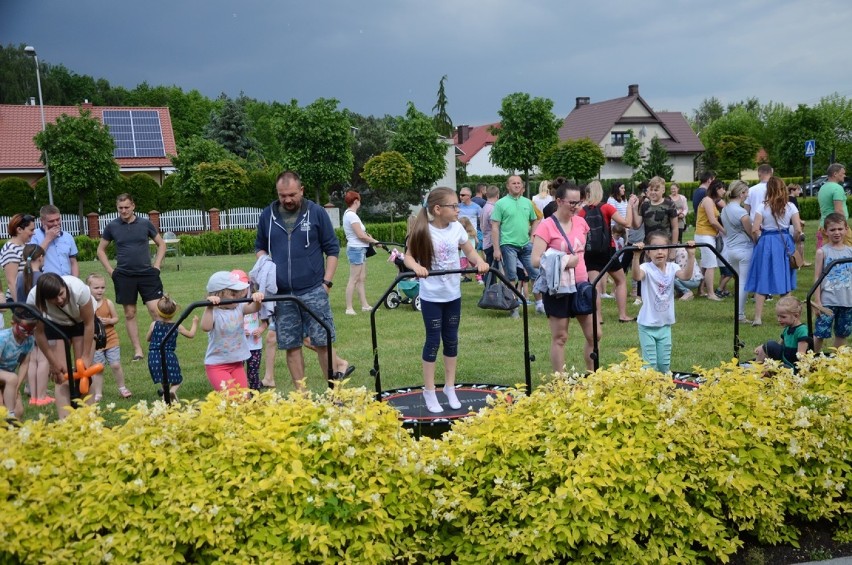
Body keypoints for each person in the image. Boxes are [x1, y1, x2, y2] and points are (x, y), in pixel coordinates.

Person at [403, 187, 489, 413]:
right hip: (432, 296)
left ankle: (449, 386)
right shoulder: (423, 230)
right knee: (433, 341)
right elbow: (408, 256)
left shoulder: (457, 228)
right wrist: (417, 267)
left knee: (451, 339)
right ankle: (429, 390)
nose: (457, 209)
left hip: (453, 294)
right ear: (438, 209)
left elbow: (469, 251)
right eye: (453, 206)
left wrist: (478, 262)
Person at [255, 171, 340, 391]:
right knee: (292, 346)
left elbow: (332, 249)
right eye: (283, 195)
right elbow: (260, 247)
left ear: (301, 190)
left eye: (292, 194)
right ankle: (302, 398)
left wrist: (326, 284)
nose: (288, 200)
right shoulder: (268, 216)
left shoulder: (316, 213)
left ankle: (335, 394)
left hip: (314, 290)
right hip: (282, 294)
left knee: (323, 343)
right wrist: (264, 265)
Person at [531, 182, 597, 372]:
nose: (576, 207)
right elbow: (535, 260)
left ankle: (592, 375)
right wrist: (565, 261)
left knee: (595, 335)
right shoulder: (546, 226)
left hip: (582, 285)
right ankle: (560, 381)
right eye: (572, 203)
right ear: (559, 201)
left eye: (579, 202)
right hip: (558, 288)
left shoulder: (581, 222)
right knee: (560, 337)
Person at [97, 193, 166, 361]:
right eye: (120, 208)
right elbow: (100, 250)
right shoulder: (112, 226)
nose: (124, 211)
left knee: (155, 310)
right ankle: (138, 350)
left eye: (127, 207)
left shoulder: (145, 223)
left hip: (147, 274)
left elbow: (161, 244)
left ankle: (159, 345)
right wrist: (110, 271)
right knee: (129, 313)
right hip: (124, 276)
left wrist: (156, 266)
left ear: (133, 206)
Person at [27, 273, 97, 419]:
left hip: (80, 321)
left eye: (61, 294)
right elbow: (39, 334)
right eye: (53, 298)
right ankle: (64, 421)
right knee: (61, 374)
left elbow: (89, 324)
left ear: (64, 287)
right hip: (55, 323)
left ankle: (89, 417)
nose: (60, 300)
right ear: (44, 298)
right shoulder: (33, 299)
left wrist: (85, 355)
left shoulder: (79, 289)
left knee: (84, 371)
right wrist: (53, 363)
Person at [632, 233, 696, 374]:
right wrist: (636, 256)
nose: (659, 252)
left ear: (668, 251)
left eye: (663, 248)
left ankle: (664, 389)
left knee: (664, 364)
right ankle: (648, 389)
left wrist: (691, 255)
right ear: (648, 252)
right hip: (647, 325)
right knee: (650, 364)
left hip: (665, 324)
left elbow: (686, 276)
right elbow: (636, 276)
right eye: (654, 248)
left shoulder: (672, 267)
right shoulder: (646, 268)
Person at [745, 177, 802, 326]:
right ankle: (788, 316)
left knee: (762, 278)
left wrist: (758, 241)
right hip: (784, 242)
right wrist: (794, 240)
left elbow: (755, 229)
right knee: (785, 279)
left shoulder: (762, 207)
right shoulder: (790, 207)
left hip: (766, 242)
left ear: (768, 190)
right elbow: (797, 230)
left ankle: (758, 317)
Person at [579, 180, 636, 324]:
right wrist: (629, 206)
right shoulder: (606, 207)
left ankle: (598, 318)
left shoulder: (582, 211)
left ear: (587, 193)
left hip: (589, 251)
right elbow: (627, 223)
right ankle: (622, 315)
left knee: (594, 285)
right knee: (621, 281)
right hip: (607, 250)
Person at [202, 271, 264, 393]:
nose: (237, 297)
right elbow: (205, 327)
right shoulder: (214, 312)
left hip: (237, 363)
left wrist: (257, 300)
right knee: (231, 397)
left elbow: (253, 308)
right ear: (218, 294)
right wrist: (208, 307)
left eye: (238, 294)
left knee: (243, 398)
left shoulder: (239, 307)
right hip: (217, 365)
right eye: (233, 294)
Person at [492, 175, 541, 316]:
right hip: (508, 244)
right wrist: (496, 249)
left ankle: (539, 304)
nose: (517, 185)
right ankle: (513, 307)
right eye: (513, 183)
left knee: (535, 274)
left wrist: (532, 237)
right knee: (511, 276)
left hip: (526, 244)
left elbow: (535, 220)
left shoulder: (528, 202)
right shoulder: (500, 204)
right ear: (507, 186)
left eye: (519, 183)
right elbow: (495, 227)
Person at [86, 273, 132, 403]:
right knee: (98, 368)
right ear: (88, 288)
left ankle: (122, 388)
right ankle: (98, 393)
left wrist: (109, 320)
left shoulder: (108, 303)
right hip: (96, 341)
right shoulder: (87, 305)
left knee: (116, 364)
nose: (100, 290)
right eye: (96, 288)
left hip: (111, 339)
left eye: (102, 287)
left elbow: (116, 318)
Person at [811, 213, 852, 352]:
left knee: (842, 333)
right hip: (828, 301)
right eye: (833, 229)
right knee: (820, 332)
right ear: (825, 231)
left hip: (847, 301)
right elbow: (817, 277)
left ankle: (836, 362)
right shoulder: (822, 252)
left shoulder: (850, 252)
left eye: (840, 229)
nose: (837, 233)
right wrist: (817, 301)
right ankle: (812, 361)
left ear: (846, 229)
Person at [146, 294, 198, 402]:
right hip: (168, 355)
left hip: (154, 356)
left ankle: (167, 402)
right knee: (177, 380)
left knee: (164, 381)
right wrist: (195, 323)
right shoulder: (177, 326)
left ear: (158, 311)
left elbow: (148, 338)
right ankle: (173, 391)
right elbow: (191, 334)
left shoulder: (154, 324)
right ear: (174, 312)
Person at [15, 245, 49, 406]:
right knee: (43, 359)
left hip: (24, 322)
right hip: (40, 321)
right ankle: (41, 396)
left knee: (31, 359)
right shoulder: (43, 277)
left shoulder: (20, 278)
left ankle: (33, 395)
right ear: (41, 257)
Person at [720, 180, 755, 322]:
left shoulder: (725, 209)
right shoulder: (741, 212)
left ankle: (739, 312)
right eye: (746, 192)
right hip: (744, 249)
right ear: (741, 193)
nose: (747, 195)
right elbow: (751, 232)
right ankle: (740, 314)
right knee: (743, 283)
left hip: (731, 249)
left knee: (740, 281)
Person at [342, 190, 379, 315]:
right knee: (353, 279)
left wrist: (368, 237)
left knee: (361, 278)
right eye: (359, 201)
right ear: (356, 201)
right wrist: (374, 241)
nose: (360, 203)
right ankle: (349, 308)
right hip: (356, 249)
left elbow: (362, 234)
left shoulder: (351, 214)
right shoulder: (351, 215)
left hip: (361, 249)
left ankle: (365, 305)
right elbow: (359, 235)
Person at [753, 296, 812, 371]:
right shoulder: (787, 329)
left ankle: (758, 372)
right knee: (768, 346)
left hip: (793, 364)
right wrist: (763, 347)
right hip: (785, 358)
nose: (779, 319)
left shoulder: (802, 330)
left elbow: (801, 355)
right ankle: (755, 370)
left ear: (796, 316)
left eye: (783, 317)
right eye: (778, 316)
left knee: (776, 366)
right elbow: (778, 345)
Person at [231, 269, 266, 391]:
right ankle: (239, 396)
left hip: (254, 345)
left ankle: (256, 397)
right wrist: (239, 331)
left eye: (242, 287)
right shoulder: (230, 304)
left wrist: (261, 329)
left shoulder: (254, 299)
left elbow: (265, 321)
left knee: (253, 373)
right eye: (235, 289)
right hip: (238, 346)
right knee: (237, 374)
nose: (240, 291)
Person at [0, 309, 36, 420]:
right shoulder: (3, 338)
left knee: (19, 411)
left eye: (31, 331)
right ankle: (9, 417)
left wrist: (16, 388)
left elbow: (25, 364)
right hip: (6, 377)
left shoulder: (29, 340)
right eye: (23, 330)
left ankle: (13, 432)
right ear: (13, 323)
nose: (27, 334)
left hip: (8, 378)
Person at [694, 179, 727, 301]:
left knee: (705, 264)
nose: (724, 191)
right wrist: (724, 231)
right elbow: (713, 221)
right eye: (722, 188)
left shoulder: (711, 201)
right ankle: (711, 293)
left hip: (708, 235)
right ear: (716, 189)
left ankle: (701, 289)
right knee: (711, 265)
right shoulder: (707, 201)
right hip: (704, 235)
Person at [31, 204, 79, 277]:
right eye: (51, 221)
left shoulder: (68, 237)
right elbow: (33, 258)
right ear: (42, 221)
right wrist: (48, 239)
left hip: (67, 281)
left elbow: (73, 262)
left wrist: (75, 281)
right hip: (46, 282)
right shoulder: (34, 236)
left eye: (58, 219)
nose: (56, 223)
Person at [631, 176, 679, 245]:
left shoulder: (669, 205)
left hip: (665, 245)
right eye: (651, 190)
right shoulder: (644, 205)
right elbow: (636, 226)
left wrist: (673, 247)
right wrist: (634, 209)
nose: (653, 192)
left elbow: (675, 228)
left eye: (656, 190)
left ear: (663, 190)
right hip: (649, 245)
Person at [1, 213, 36, 304]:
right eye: (31, 230)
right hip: (20, 299)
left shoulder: (25, 246)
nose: (34, 233)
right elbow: (12, 282)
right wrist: (20, 307)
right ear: (19, 229)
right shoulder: (10, 249)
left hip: (29, 296)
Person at [817, 163, 851, 246]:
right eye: (842, 173)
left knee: (826, 252)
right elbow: (838, 210)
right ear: (835, 174)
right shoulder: (837, 188)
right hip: (837, 227)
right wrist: (844, 227)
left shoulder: (823, 188)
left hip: (823, 226)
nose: (844, 175)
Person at [480, 185, 500, 266]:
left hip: (486, 240)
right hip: (492, 242)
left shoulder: (484, 207)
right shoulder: (493, 209)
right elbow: (494, 226)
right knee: (493, 269)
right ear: (498, 195)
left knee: (490, 266)